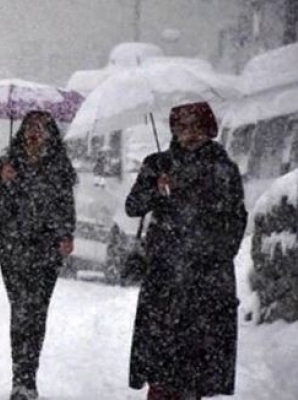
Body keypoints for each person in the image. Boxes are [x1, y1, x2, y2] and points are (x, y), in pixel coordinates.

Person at [125, 101, 247, 400]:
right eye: (183, 127)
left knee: (197, 362)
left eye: (196, 127)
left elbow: (235, 220)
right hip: (165, 277)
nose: (190, 134)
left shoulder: (223, 169)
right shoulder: (157, 164)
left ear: (208, 130)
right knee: (160, 359)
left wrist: (213, 253)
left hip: (206, 279)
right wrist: (156, 188)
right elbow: (133, 206)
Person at [0, 110, 76, 400]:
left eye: (41, 128)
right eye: (30, 128)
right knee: (20, 311)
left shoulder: (59, 167)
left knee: (36, 314)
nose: (34, 134)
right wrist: (5, 182)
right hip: (14, 249)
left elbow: (65, 209)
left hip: (46, 252)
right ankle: (20, 379)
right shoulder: (6, 164)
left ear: (50, 134)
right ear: (22, 132)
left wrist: (65, 235)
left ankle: (29, 377)